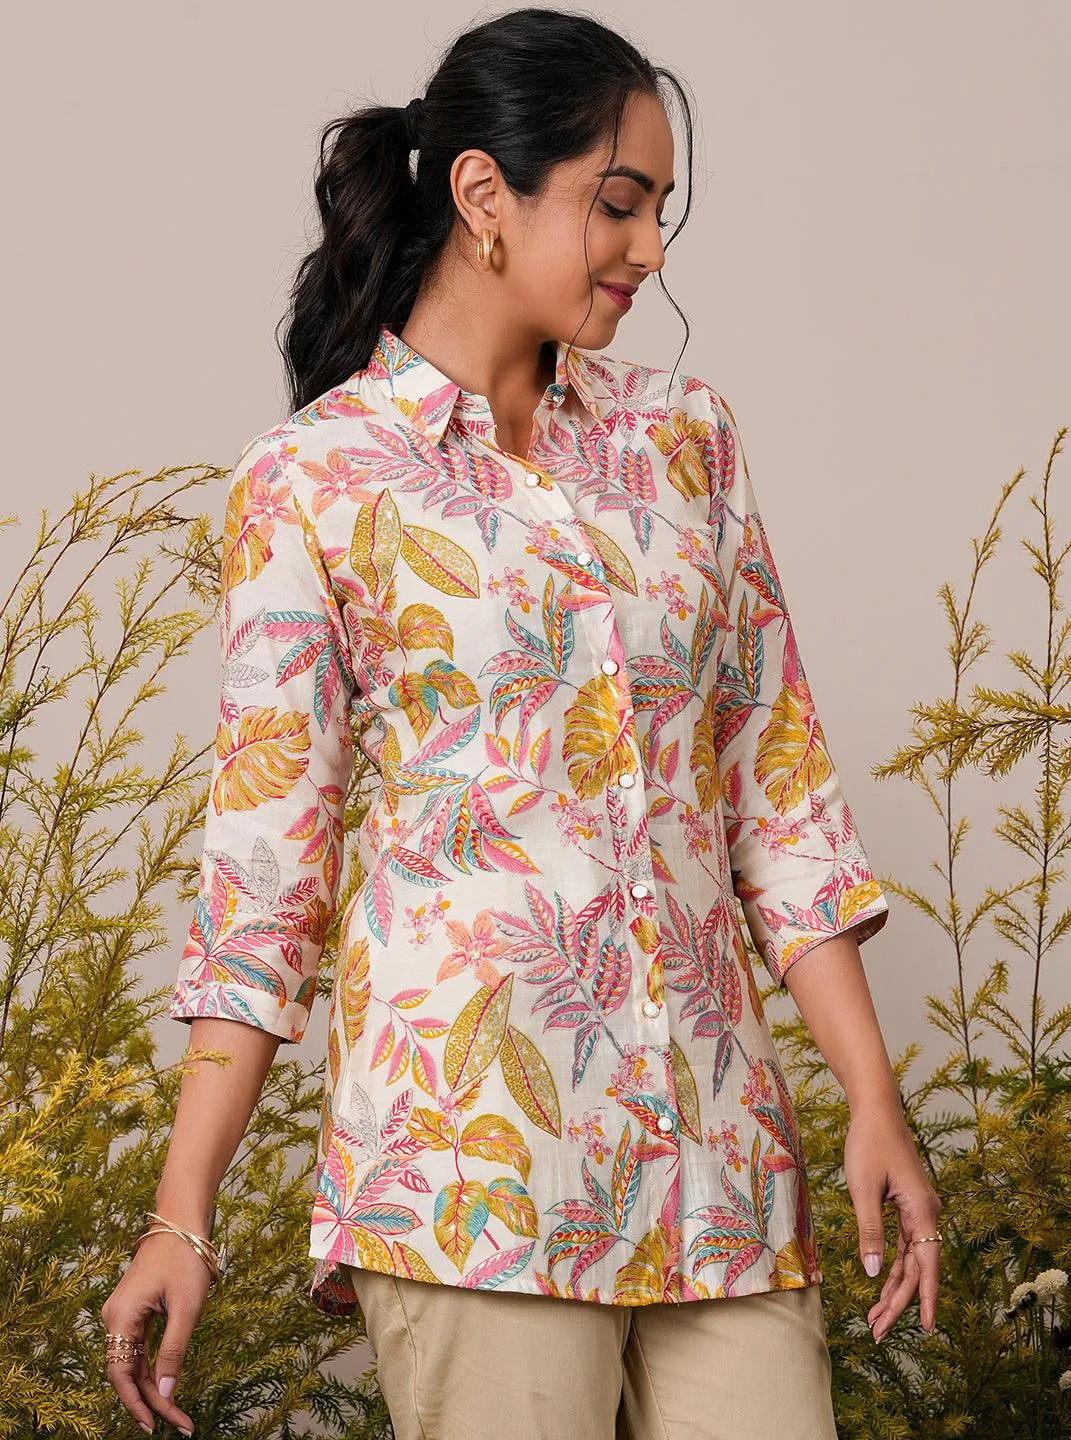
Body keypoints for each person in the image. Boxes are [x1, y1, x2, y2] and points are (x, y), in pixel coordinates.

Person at [101, 8, 942, 1438]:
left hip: (717, 1162)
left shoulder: (686, 443)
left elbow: (778, 796)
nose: (650, 249)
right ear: (483, 194)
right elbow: (265, 882)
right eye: (618, 203)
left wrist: (873, 1098)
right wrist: (184, 1214)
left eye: (662, 209)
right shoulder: (312, 483)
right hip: (472, 1178)